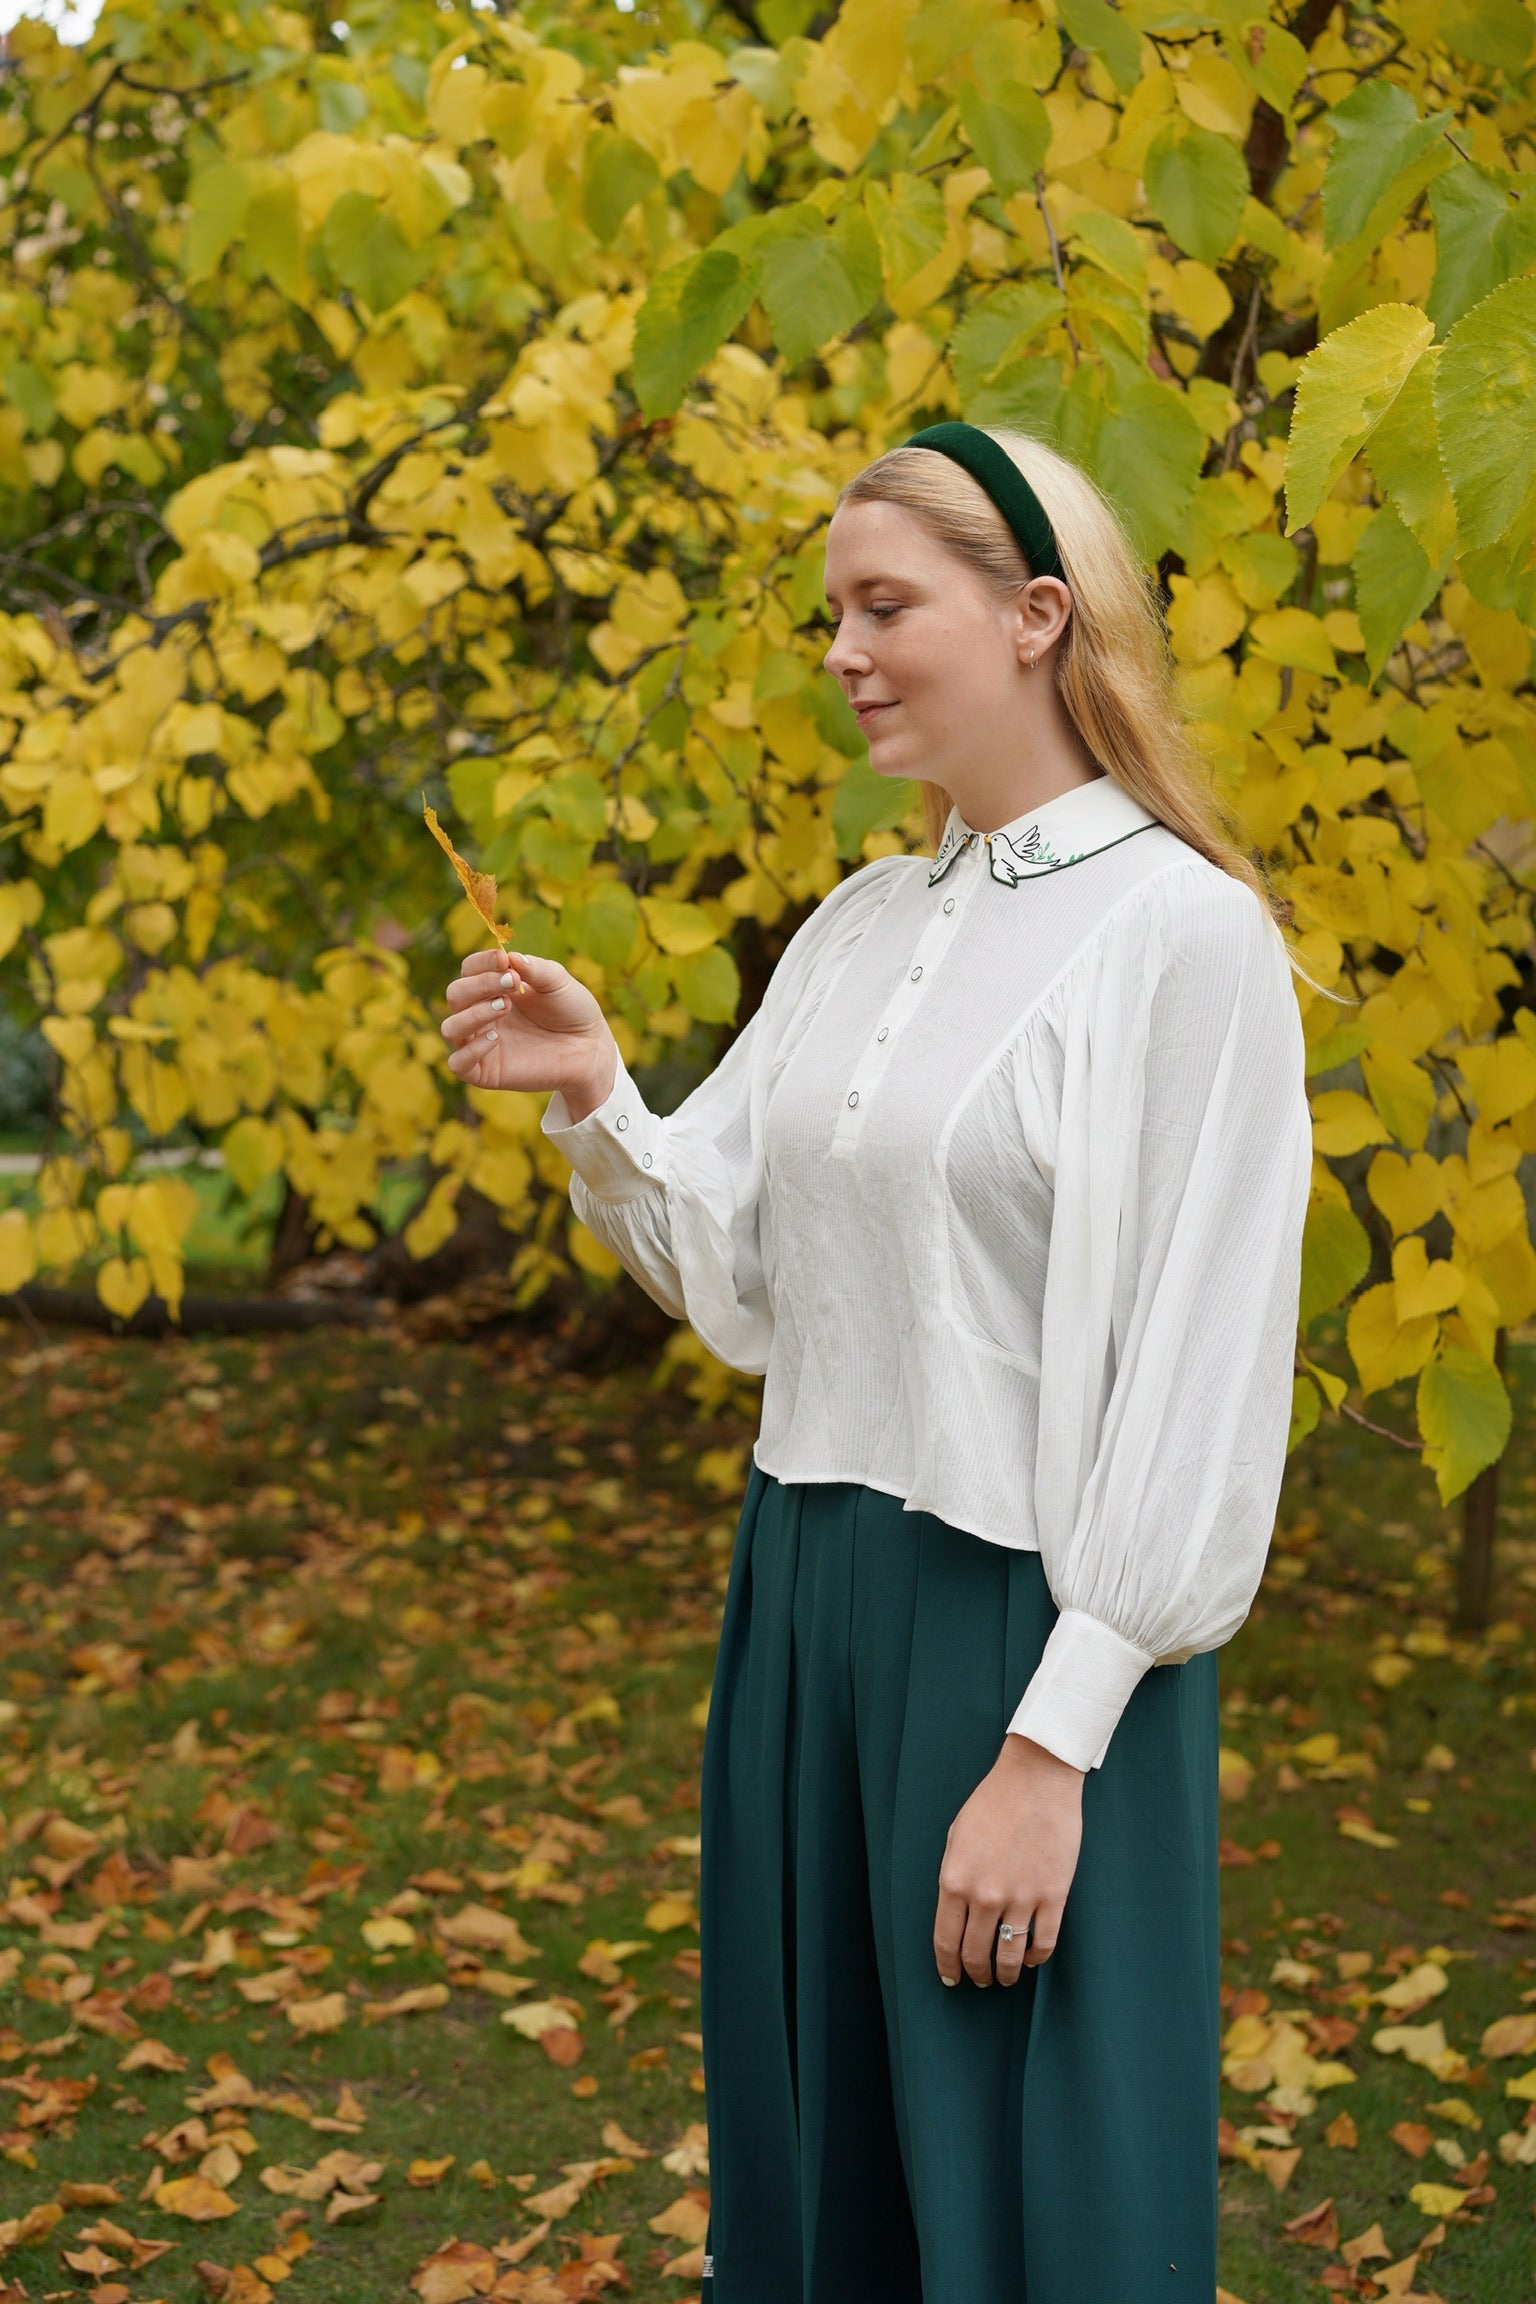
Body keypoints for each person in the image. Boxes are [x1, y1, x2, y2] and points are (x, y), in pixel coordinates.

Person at [440, 423, 1313, 2304]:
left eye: (883, 606)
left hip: (1033, 1637)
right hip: (805, 1601)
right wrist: (603, 1097)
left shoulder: (1186, 938)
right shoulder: (857, 927)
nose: (839, 649)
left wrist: (1048, 1746)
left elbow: (1202, 1372)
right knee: (820, 2161)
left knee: (1033, 2194)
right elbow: (747, 1283)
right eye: (832, 609)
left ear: (1037, 618)